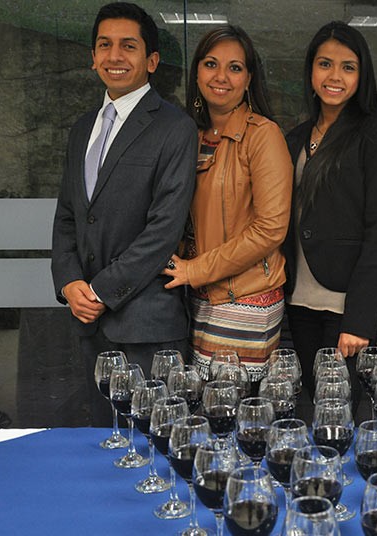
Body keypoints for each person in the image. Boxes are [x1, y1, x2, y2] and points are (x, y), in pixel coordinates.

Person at [51, 2, 197, 426]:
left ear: (151, 61)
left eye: (128, 46)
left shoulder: (175, 127)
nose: (114, 56)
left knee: (155, 444)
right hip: (89, 324)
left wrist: (98, 292)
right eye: (105, 45)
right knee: (105, 441)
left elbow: (164, 229)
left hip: (147, 325)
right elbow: (68, 215)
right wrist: (69, 282)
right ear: (93, 56)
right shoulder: (83, 128)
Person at [162, 26, 293, 386]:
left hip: (245, 297)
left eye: (235, 68)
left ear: (249, 79)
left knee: (230, 407)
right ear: (197, 73)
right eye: (211, 64)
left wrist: (195, 270)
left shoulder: (263, 135)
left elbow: (270, 229)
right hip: (197, 294)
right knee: (204, 403)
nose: (221, 76)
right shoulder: (188, 134)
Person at [283, 21, 377, 414]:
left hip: (345, 306)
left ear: (361, 75)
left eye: (348, 67)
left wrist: (359, 320)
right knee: (313, 406)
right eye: (325, 64)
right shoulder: (296, 136)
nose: (334, 76)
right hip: (299, 299)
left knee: (343, 412)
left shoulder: (375, 133)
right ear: (311, 71)